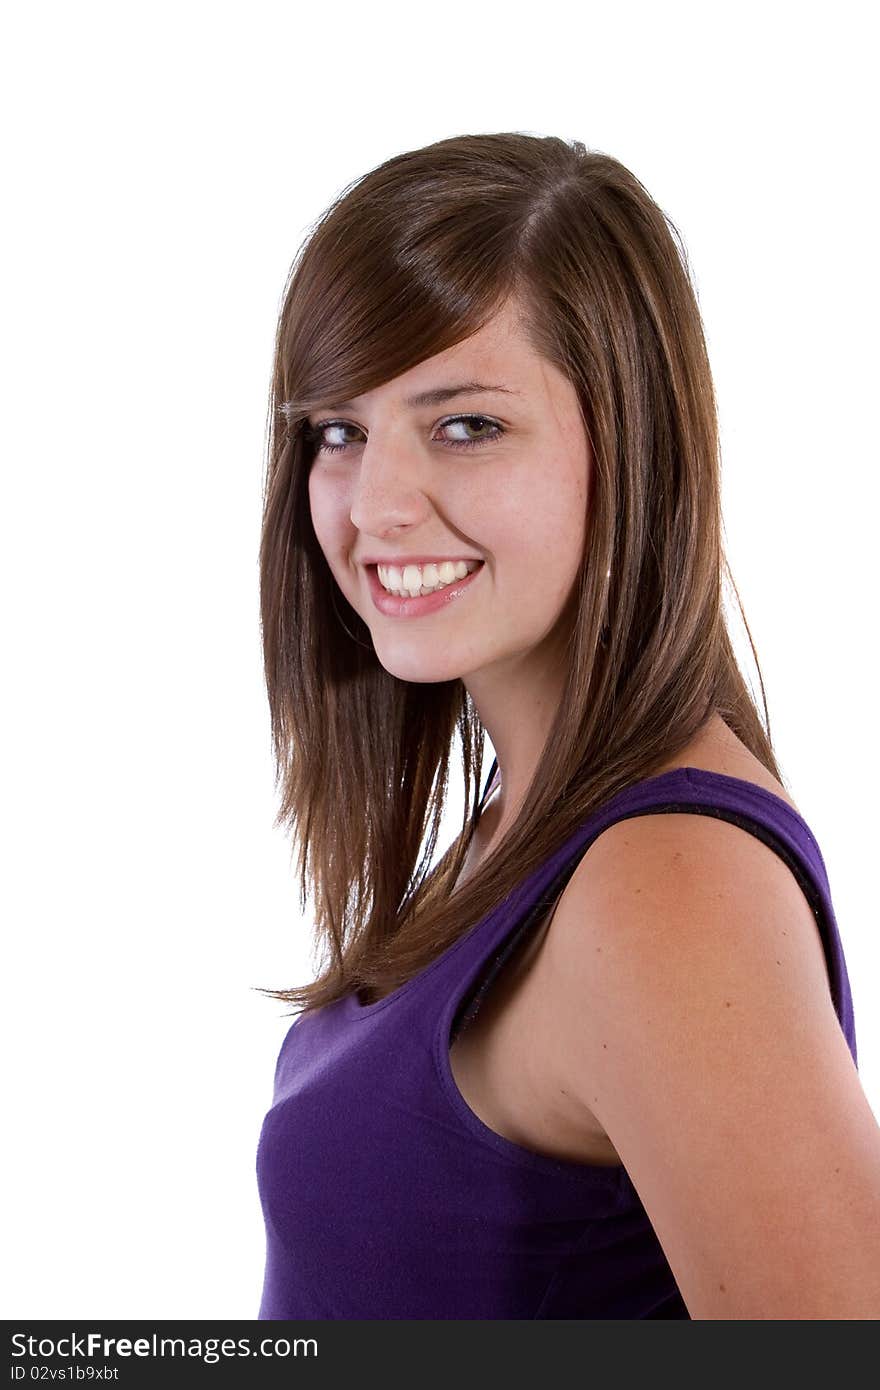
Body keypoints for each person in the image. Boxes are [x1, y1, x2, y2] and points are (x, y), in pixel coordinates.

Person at [254, 133, 880, 1319]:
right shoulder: (531, 832)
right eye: (337, 429)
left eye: (466, 424)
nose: (374, 504)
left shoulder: (665, 881)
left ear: (627, 444)